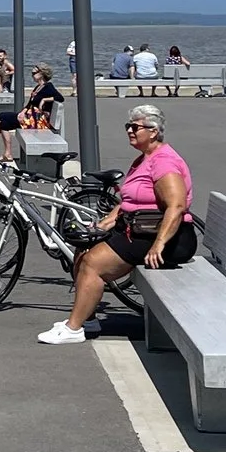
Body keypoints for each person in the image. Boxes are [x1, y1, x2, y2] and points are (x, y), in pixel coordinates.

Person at [39, 105, 193, 344]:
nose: (130, 131)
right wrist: (105, 223)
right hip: (140, 229)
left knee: (93, 264)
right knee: (83, 249)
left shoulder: (164, 162)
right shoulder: (144, 159)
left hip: (165, 237)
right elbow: (129, 201)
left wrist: (159, 244)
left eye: (135, 127)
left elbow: (176, 206)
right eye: (128, 126)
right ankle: (87, 318)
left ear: (153, 131)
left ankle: (73, 329)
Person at [0, 63, 64, 158]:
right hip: (31, 117)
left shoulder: (48, 87)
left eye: (34, 73)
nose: (32, 75)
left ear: (42, 74)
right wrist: (22, 112)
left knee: (3, 117)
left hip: (38, 121)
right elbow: (29, 104)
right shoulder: (38, 87)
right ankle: (4, 152)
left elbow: (60, 98)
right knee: (3, 121)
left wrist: (45, 100)